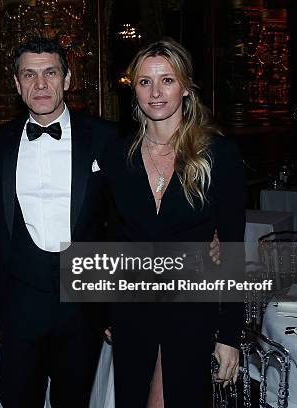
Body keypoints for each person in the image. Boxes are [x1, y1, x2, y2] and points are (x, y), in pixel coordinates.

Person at [103, 38, 244, 407]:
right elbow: (112, 236)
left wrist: (229, 335)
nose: (155, 92)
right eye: (145, 82)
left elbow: (231, 249)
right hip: (131, 308)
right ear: (133, 89)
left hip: (190, 309)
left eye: (167, 80)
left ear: (184, 87)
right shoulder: (118, 156)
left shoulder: (218, 154)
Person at [0, 37, 119, 407]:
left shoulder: (105, 136)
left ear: (67, 79)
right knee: (17, 398)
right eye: (29, 74)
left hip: (82, 302)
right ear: (17, 85)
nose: (40, 84)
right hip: (20, 301)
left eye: (50, 73)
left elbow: (120, 220)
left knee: (73, 400)